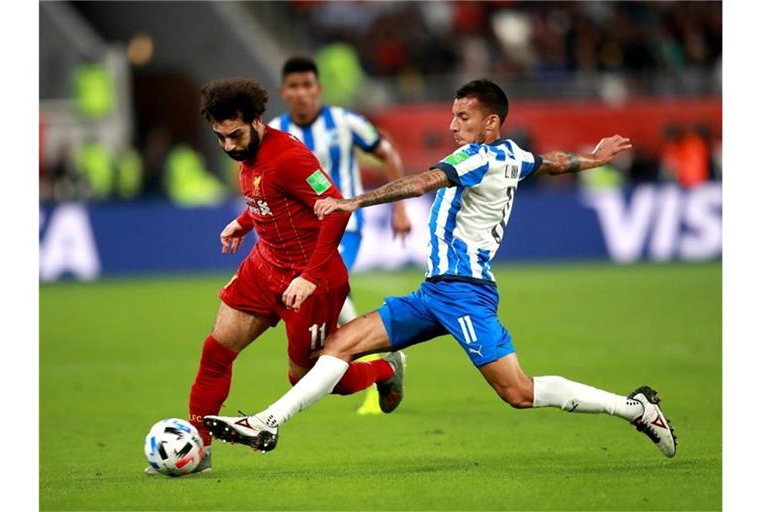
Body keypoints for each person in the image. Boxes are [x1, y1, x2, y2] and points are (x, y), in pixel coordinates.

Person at [203, 79, 677, 459]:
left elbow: (422, 181)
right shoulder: (514, 155)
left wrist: (357, 199)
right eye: (453, 115)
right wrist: (590, 159)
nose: (453, 125)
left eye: (463, 116)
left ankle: (635, 409)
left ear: (491, 122)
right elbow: (550, 162)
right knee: (341, 344)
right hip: (434, 292)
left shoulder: (475, 157)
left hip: (466, 294)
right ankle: (267, 422)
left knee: (517, 391)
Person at [145, 78, 406, 475]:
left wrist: (310, 277)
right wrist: (243, 222)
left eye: (235, 135)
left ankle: (386, 368)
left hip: (311, 282)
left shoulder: (289, 156)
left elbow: (336, 209)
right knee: (216, 352)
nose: (229, 146)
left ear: (257, 121)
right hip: (263, 268)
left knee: (307, 377)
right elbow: (271, 198)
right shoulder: (247, 155)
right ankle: (199, 451)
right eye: (220, 138)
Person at [269, 56, 412, 415]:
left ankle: (375, 360)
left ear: (318, 89)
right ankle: (385, 359)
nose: (301, 93)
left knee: (319, 286)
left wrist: (399, 208)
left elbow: (387, 152)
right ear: (284, 92)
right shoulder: (274, 131)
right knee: (322, 298)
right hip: (298, 236)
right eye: (293, 87)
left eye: (307, 85)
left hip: (345, 227)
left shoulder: (345, 123)